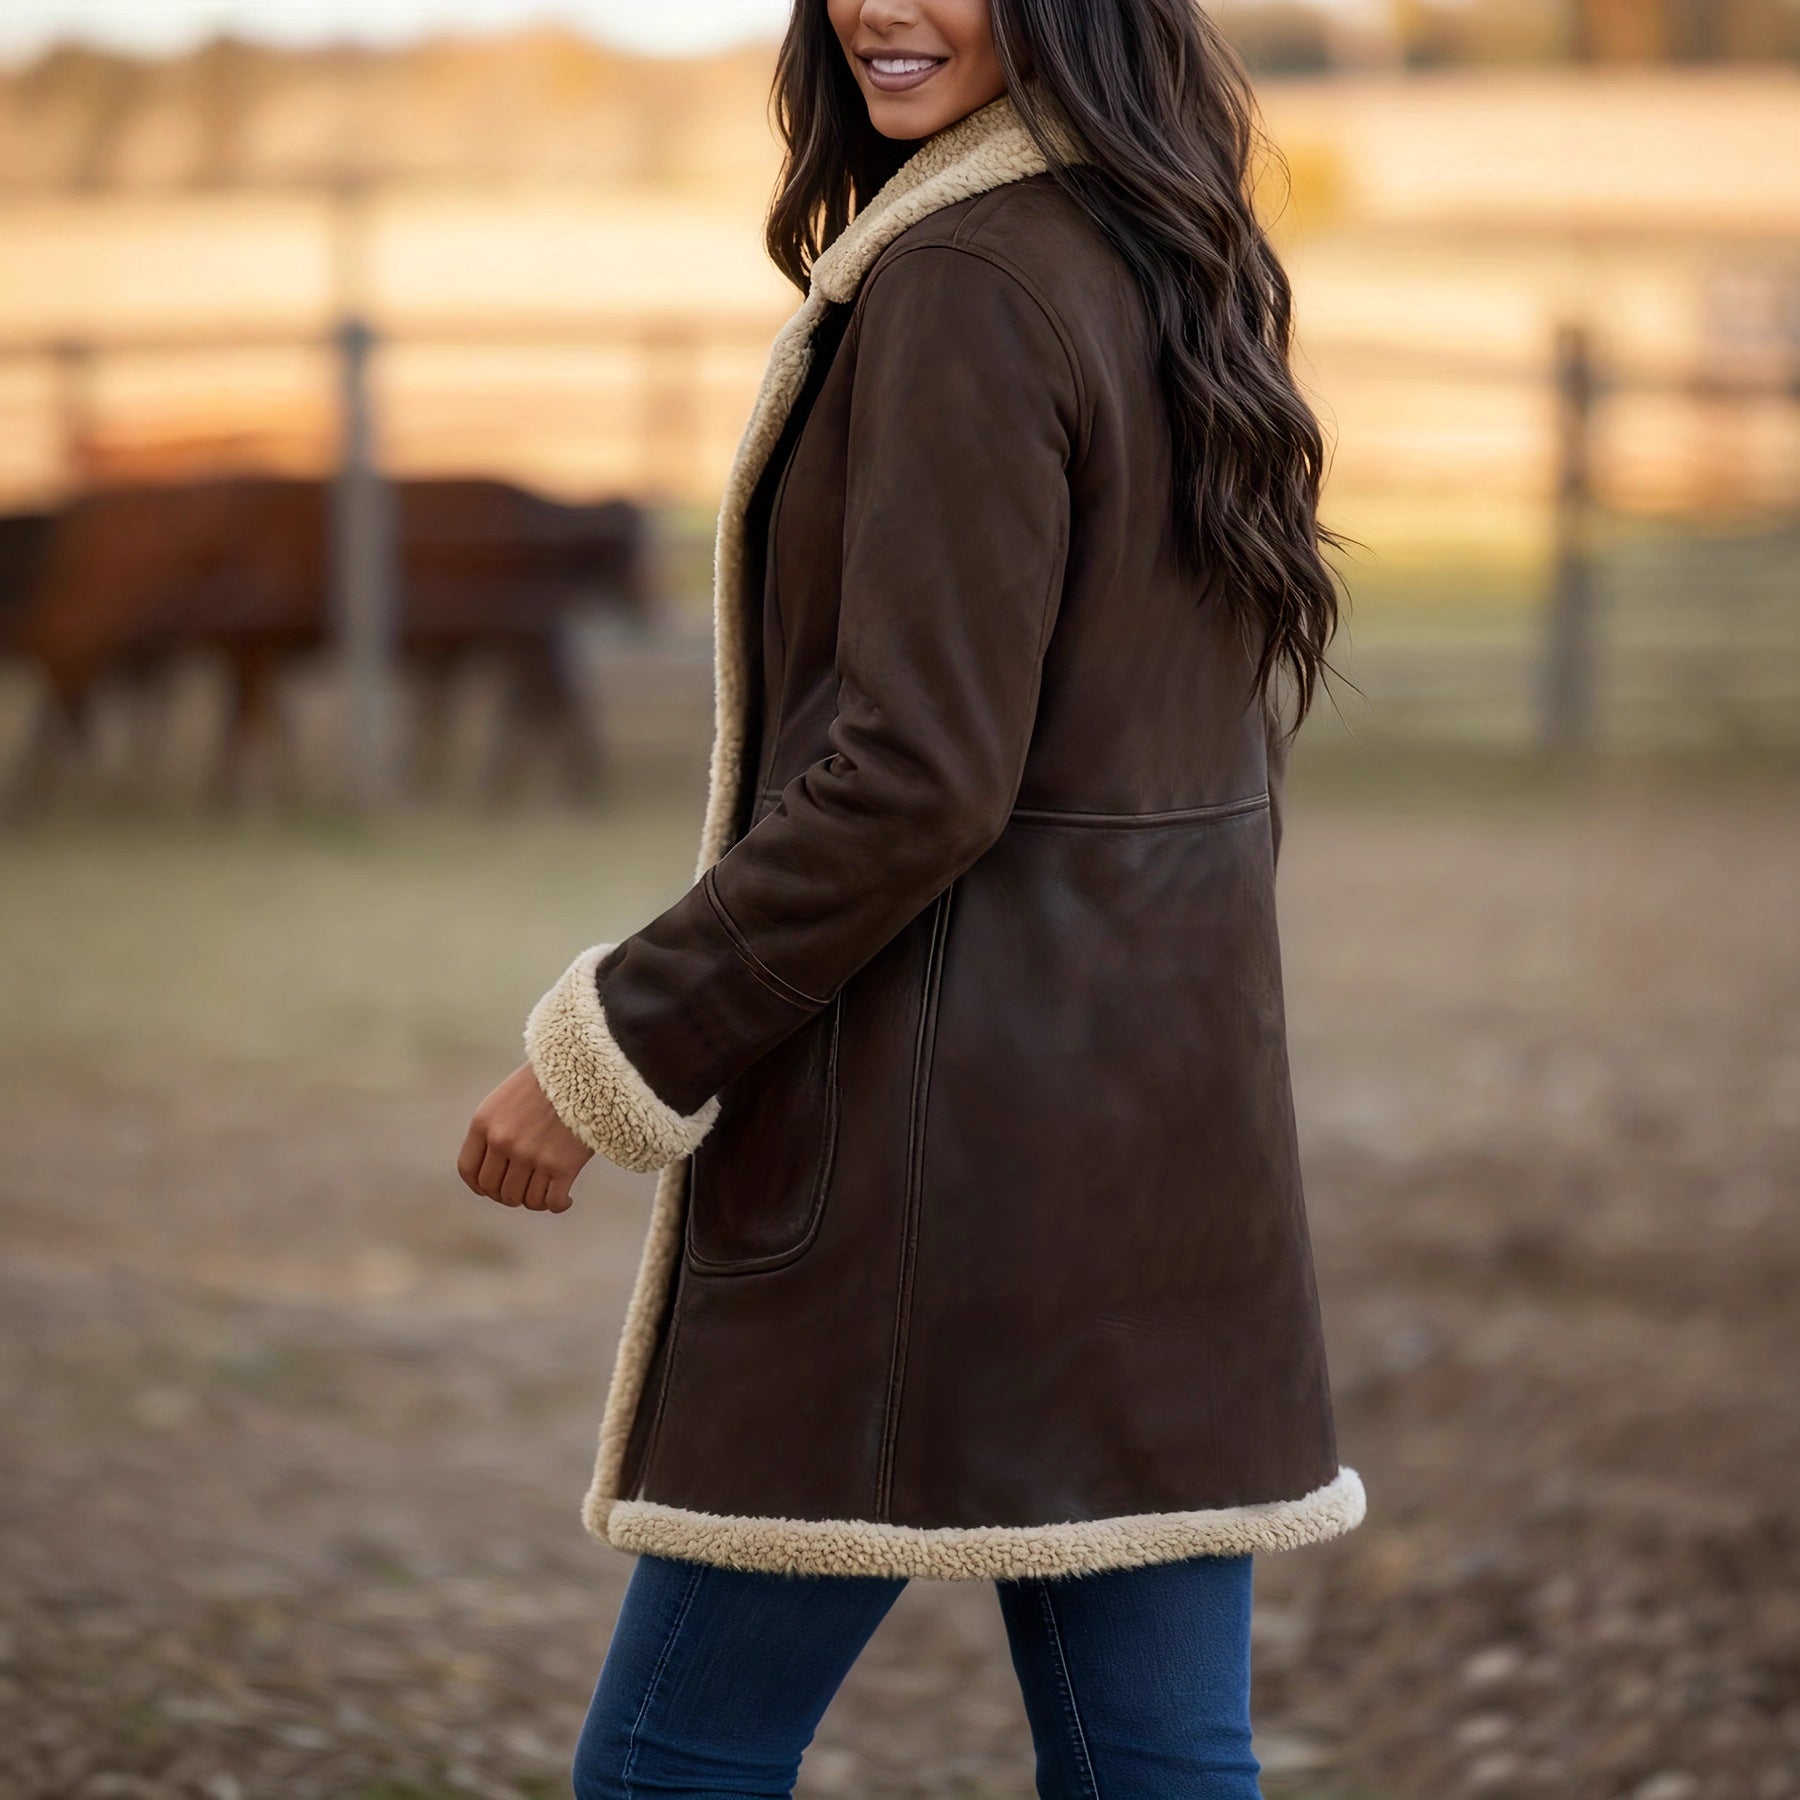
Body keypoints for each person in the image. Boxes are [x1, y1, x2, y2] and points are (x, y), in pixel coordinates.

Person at [456, 0, 1363, 1793]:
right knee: (1160, 1768)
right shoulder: (1167, 254)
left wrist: (602, 1056)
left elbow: (915, 778)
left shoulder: (973, 278)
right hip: (1168, 1158)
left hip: (939, 1174)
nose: (883, 5)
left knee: (669, 1766)